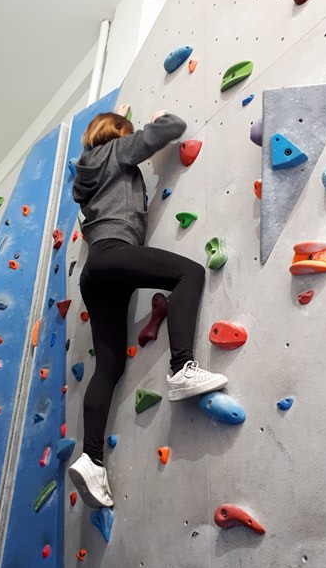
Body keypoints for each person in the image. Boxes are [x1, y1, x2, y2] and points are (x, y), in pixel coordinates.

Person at [68, 106, 228, 508]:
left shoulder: (84, 174)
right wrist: (156, 118)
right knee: (189, 273)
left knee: (109, 367)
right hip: (115, 253)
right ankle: (182, 368)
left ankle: (91, 459)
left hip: (95, 272)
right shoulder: (117, 150)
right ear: (117, 133)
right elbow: (173, 127)